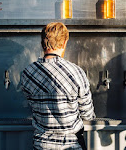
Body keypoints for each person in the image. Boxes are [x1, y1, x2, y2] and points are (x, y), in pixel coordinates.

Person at [21, 22, 95, 150]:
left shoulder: (27, 73)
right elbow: (88, 115)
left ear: (42, 42)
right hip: (71, 145)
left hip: (41, 145)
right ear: (64, 42)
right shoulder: (76, 72)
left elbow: (30, 106)